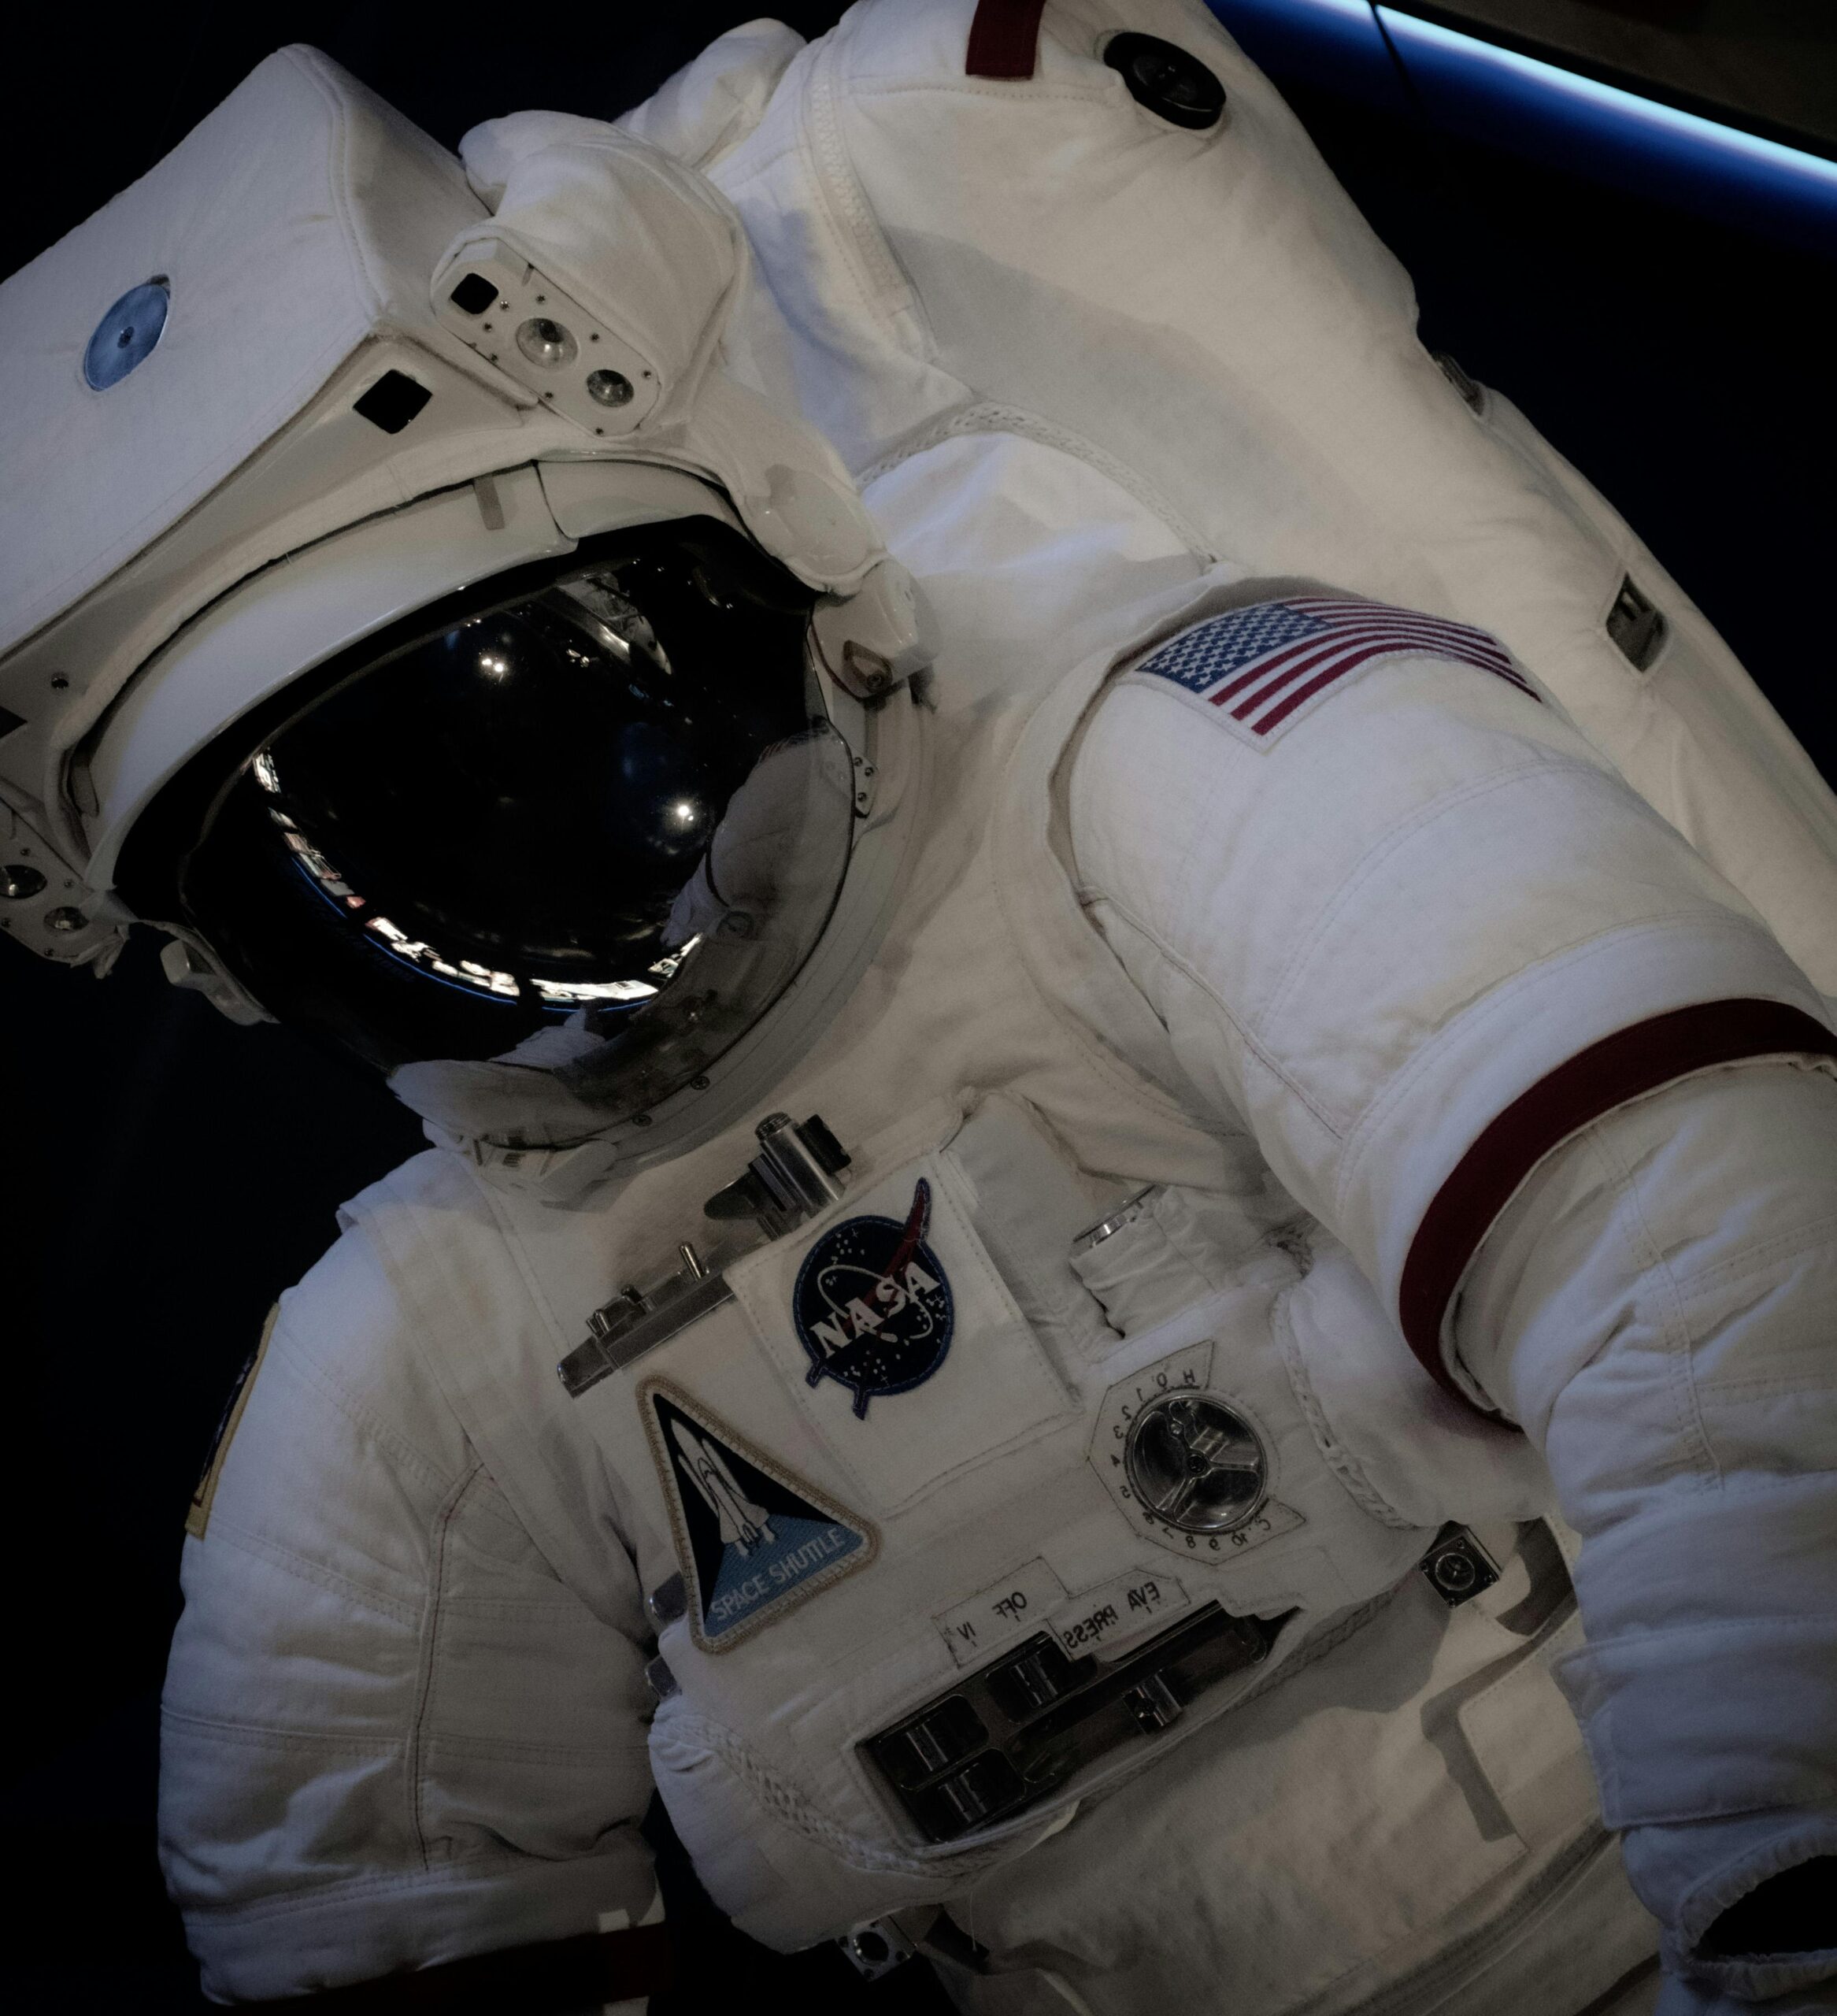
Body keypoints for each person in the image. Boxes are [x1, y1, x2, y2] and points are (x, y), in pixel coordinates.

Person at [2, 4, 1832, 2011]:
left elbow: (1710, 1271)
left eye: (570, 757)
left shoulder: (1174, 761)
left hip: (1656, 1892)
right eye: (363, 888)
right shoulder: (439, 1343)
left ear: (783, 564)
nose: (522, 915)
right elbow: (358, 1894)